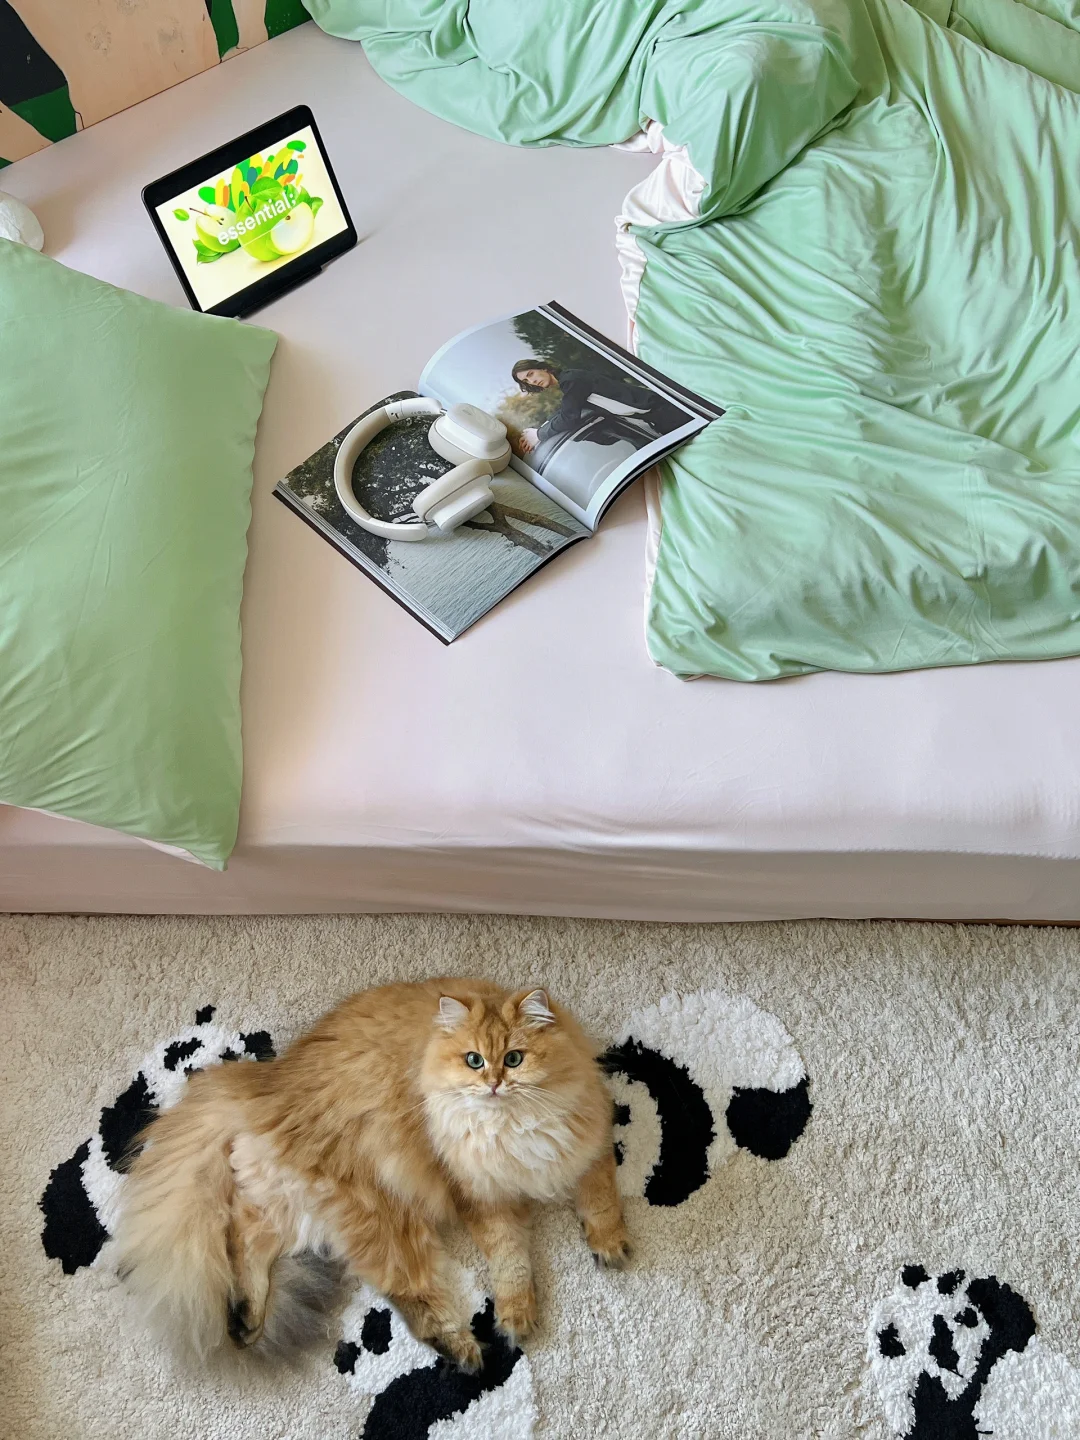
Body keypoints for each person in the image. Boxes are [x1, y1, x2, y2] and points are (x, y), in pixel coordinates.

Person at [510, 359, 686, 455]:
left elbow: (569, 417)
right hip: (655, 418)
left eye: (531, 374)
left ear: (543, 368)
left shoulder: (572, 381)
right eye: (526, 380)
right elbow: (565, 410)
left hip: (665, 412)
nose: (532, 381)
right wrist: (541, 428)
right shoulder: (570, 382)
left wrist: (539, 435)